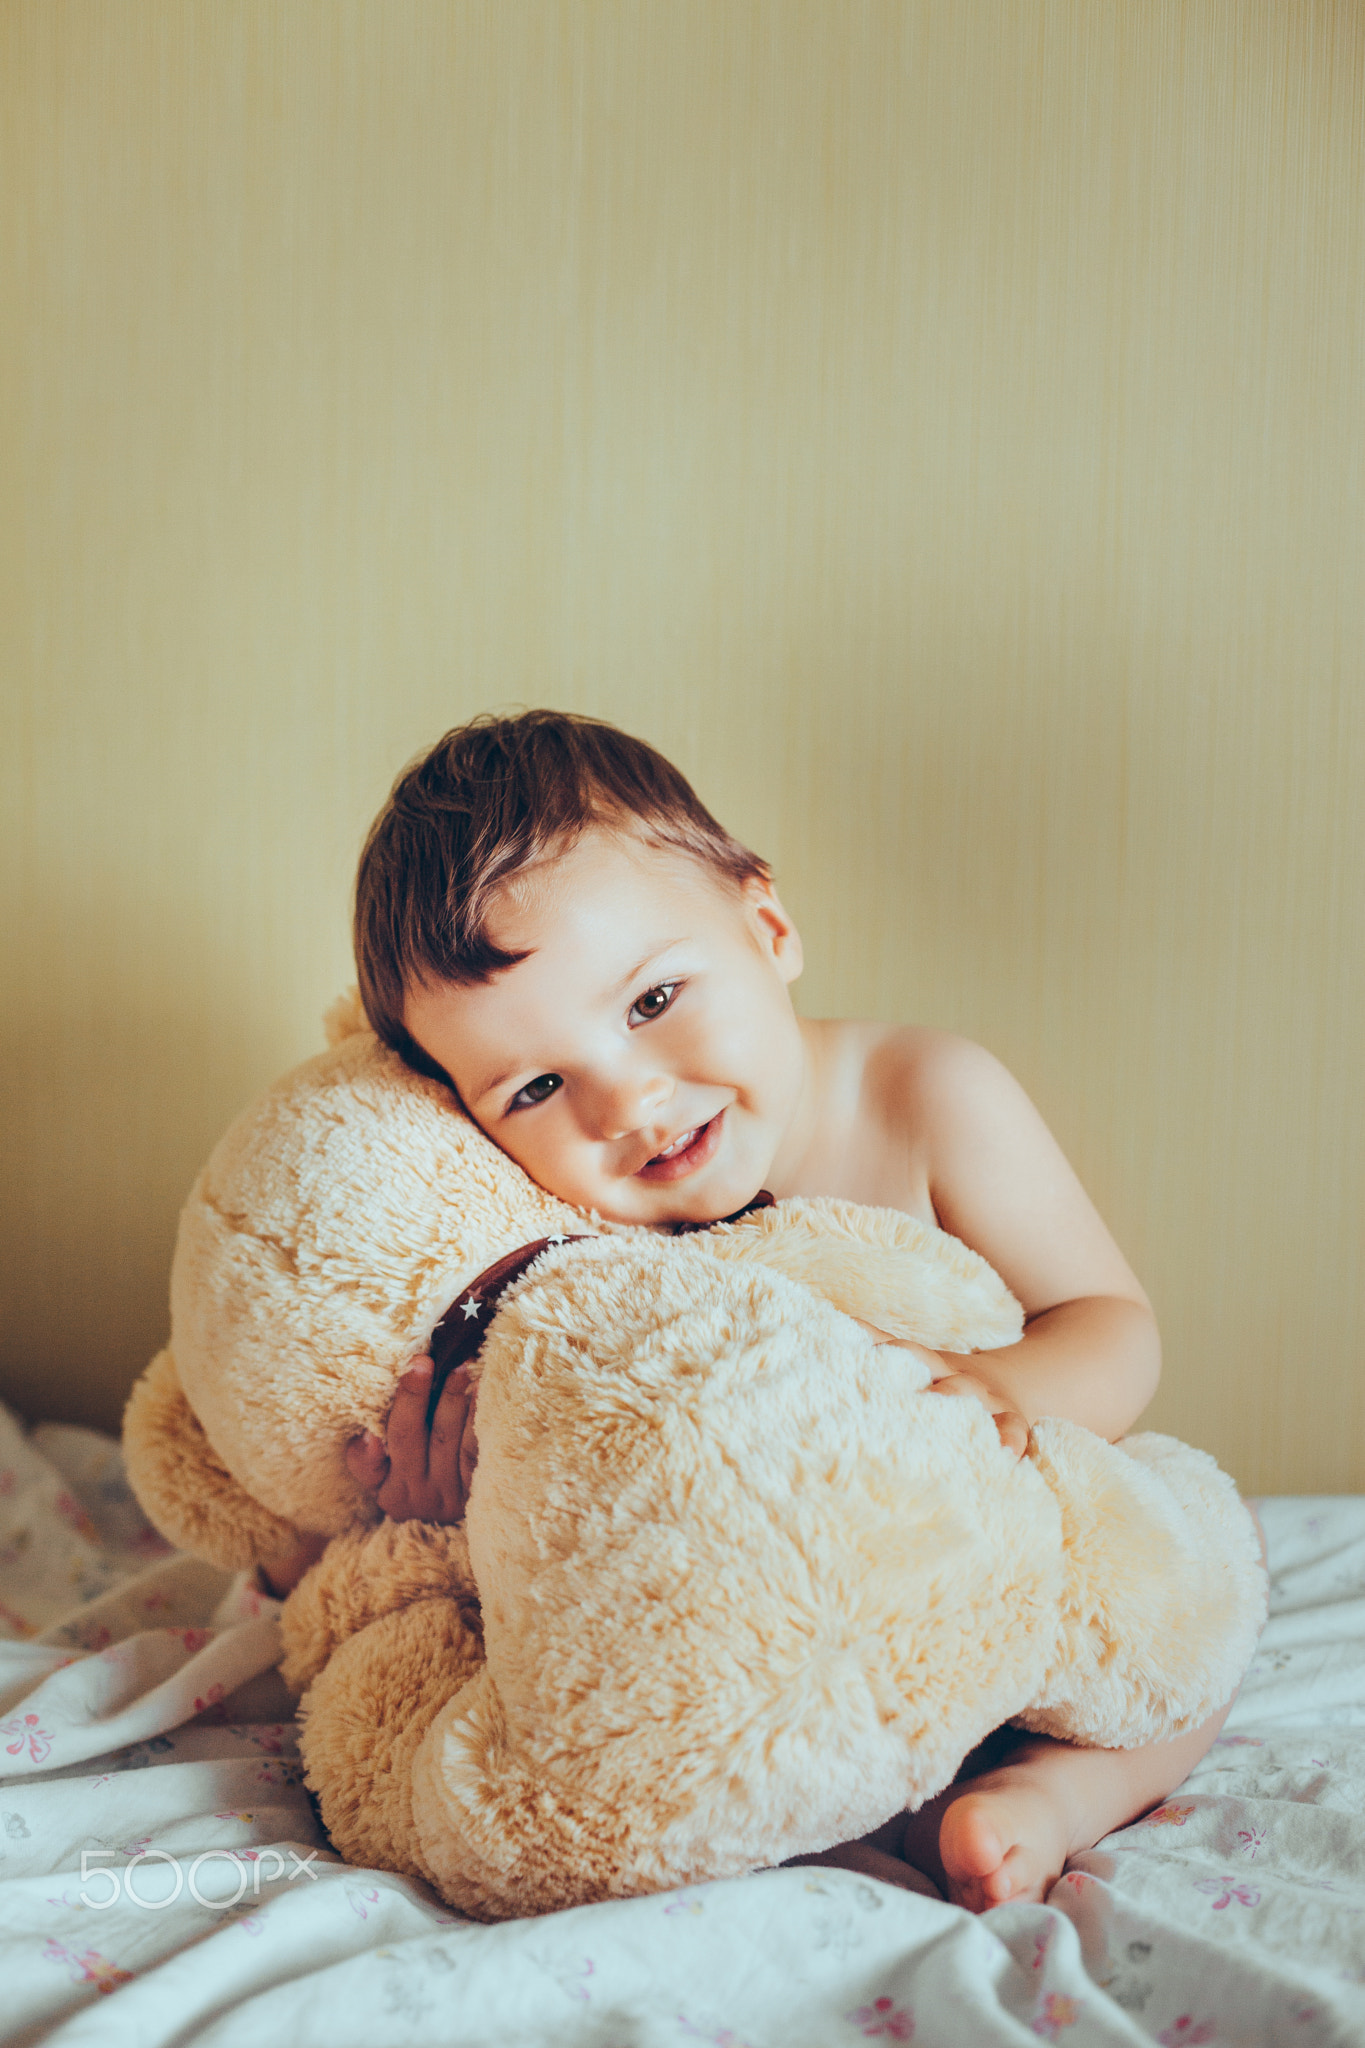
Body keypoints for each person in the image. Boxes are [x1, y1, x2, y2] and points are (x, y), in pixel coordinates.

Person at [305, 708, 1249, 1910]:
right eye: (537, 1085)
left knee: (1212, 1556)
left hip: (981, 1551)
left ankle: (1053, 1797)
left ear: (768, 926)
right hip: (765, 1637)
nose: (630, 1104)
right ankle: (798, 1827)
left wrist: (1003, 1388)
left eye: (651, 1001)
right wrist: (446, 1505)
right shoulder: (576, 1238)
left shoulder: (926, 1094)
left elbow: (1112, 1319)